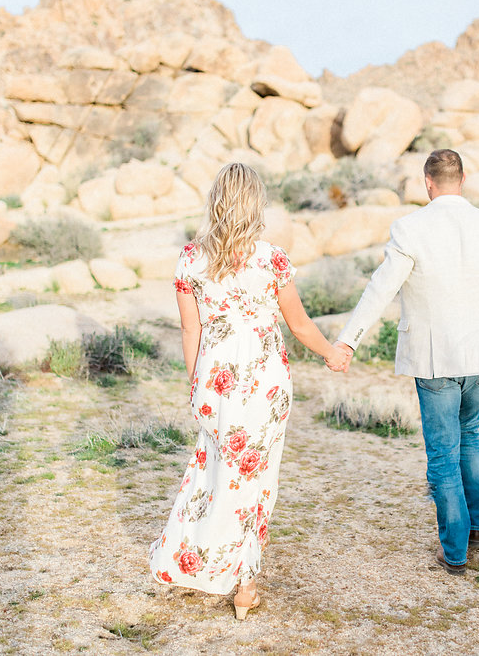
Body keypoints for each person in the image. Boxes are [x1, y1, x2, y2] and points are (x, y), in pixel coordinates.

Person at [149, 162, 350, 620]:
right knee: (256, 480)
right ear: (255, 204)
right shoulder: (271, 258)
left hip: (215, 377)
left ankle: (205, 562)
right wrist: (331, 353)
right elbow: (298, 324)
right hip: (265, 381)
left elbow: (189, 329)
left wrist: (195, 385)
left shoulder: (190, 258)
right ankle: (244, 584)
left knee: (215, 473)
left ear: (216, 201)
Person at [335, 149, 479, 575]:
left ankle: (455, 552)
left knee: (444, 453)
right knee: (471, 436)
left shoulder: (410, 228)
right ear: (463, 179)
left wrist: (348, 341)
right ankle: (475, 528)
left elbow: (380, 289)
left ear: (428, 182)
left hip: (434, 360)